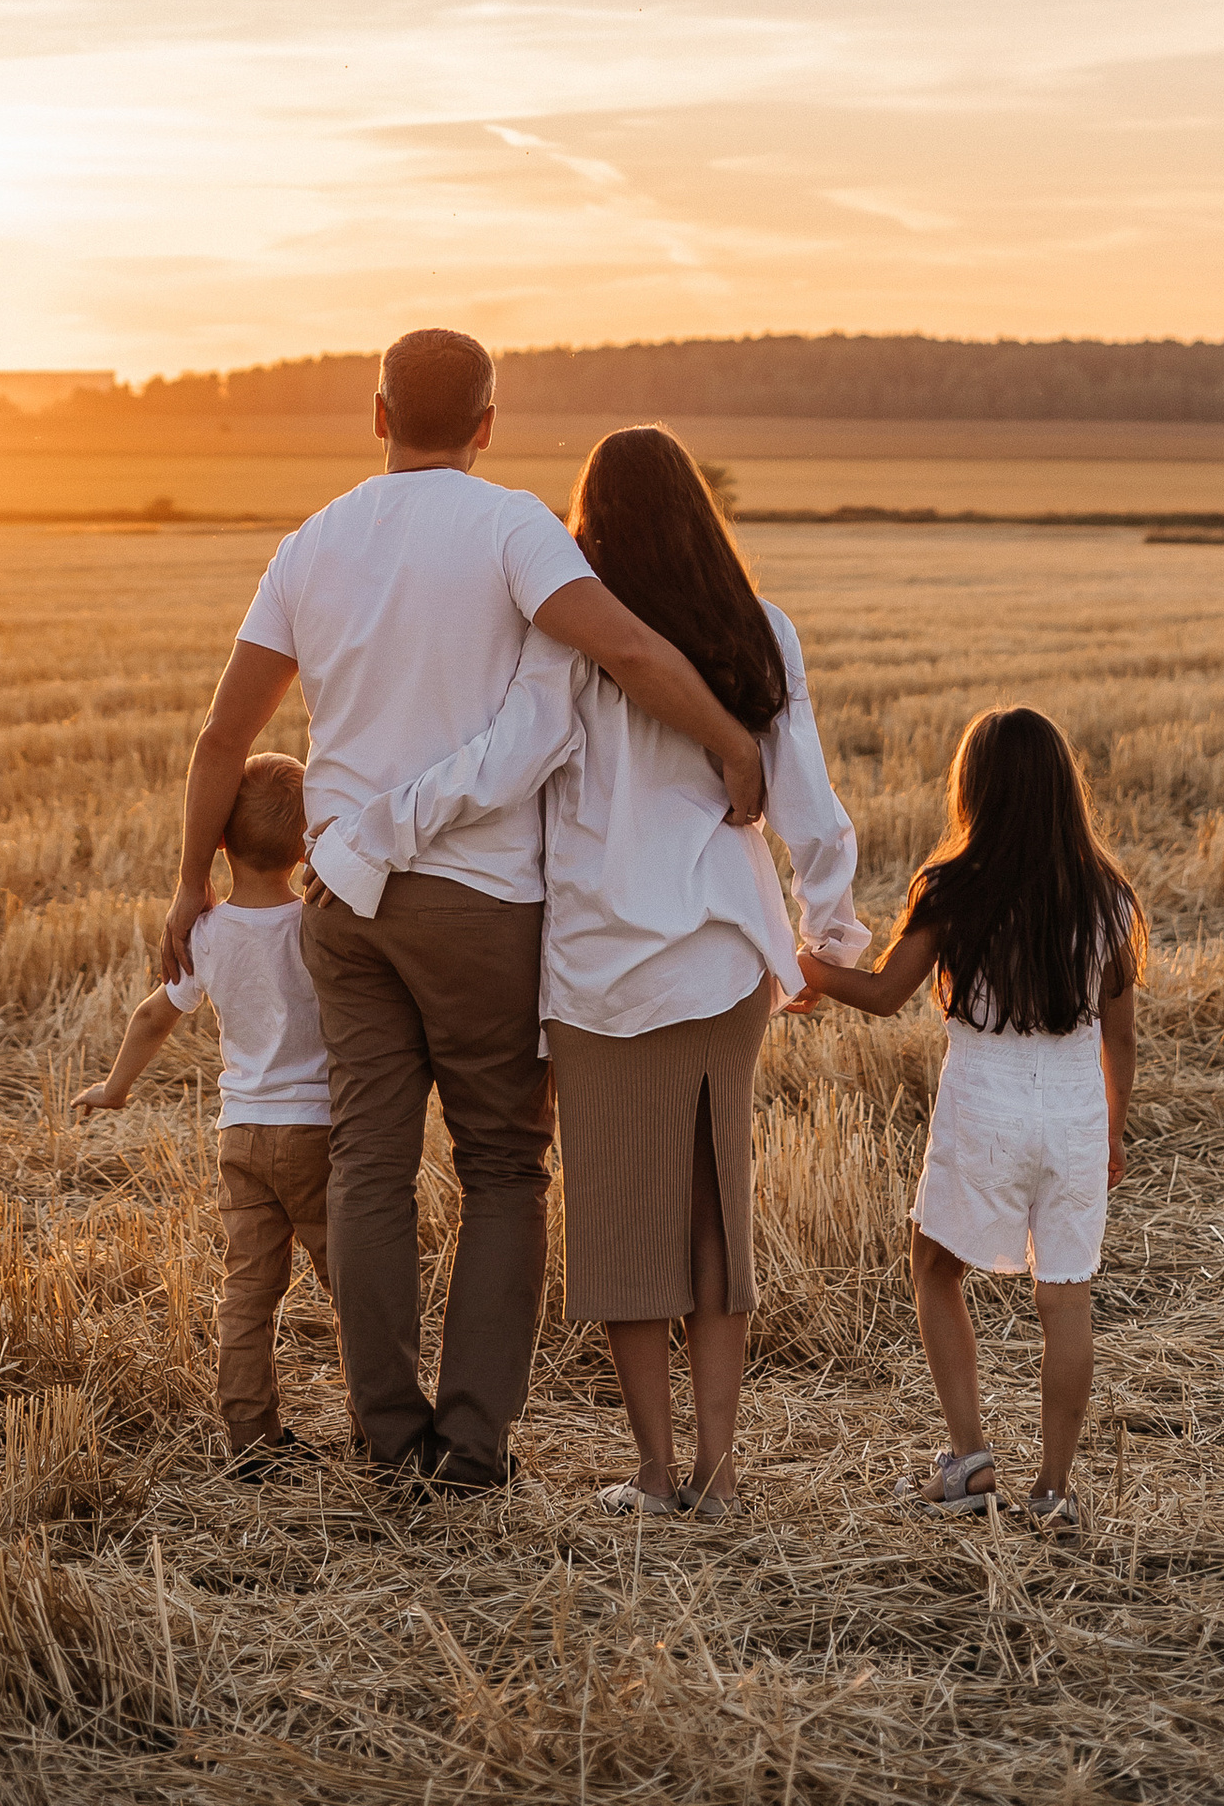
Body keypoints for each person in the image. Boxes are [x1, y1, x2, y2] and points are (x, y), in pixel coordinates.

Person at [161, 330, 773, 1495]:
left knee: (370, 1168)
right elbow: (632, 651)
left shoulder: (312, 544)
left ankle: (388, 1441)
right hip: (483, 901)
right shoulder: (513, 530)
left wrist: (187, 877)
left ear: (375, 409)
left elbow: (222, 738)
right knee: (501, 1168)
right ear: (488, 422)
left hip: (345, 899)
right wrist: (733, 742)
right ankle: (473, 1446)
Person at [311, 426, 866, 1519]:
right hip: (720, 961)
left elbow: (510, 758)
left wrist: (378, 828)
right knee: (716, 1221)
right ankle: (717, 1474)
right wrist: (830, 935)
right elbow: (807, 801)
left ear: (592, 519)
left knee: (621, 1231)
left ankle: (656, 1477)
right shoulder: (758, 632)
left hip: (602, 968)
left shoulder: (568, 639)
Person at [798, 705, 1143, 1528]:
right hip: (1072, 1110)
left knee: (933, 1269)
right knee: (1067, 1299)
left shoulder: (952, 886)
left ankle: (969, 1458)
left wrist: (808, 966)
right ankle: (1055, 1493)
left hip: (983, 1101)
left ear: (975, 791)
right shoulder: (1107, 898)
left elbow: (885, 995)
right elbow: (1121, 1039)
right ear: (1065, 789)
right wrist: (1114, 1130)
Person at [80, 750, 343, 1467]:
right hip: (316, 1132)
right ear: (307, 841)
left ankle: (250, 1439)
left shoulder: (204, 934)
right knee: (353, 1287)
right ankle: (376, 1424)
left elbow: (150, 1019)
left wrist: (115, 1088)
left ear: (219, 840)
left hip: (242, 1135)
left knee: (247, 1295)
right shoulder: (317, 925)